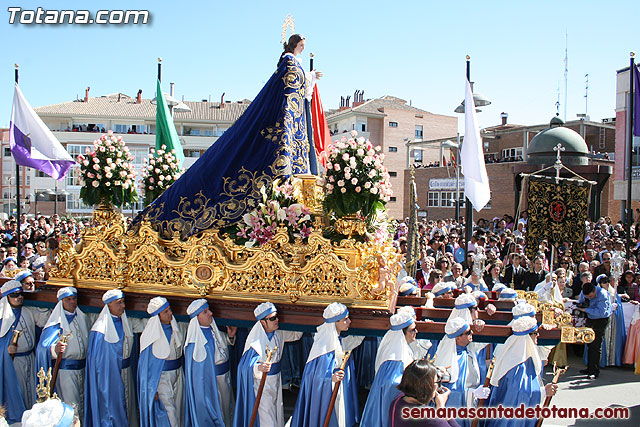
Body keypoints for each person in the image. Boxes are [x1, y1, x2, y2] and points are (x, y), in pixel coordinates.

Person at [133, 33, 322, 238]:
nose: (303, 48)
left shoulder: (292, 64)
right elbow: (289, 89)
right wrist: (307, 78)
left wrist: (309, 78)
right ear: (294, 45)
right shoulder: (290, 64)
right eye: (301, 45)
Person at [290, 302, 363, 427]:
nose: (349, 322)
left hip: (337, 391)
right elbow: (313, 377)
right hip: (327, 394)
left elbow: (350, 343)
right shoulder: (323, 346)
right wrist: (330, 378)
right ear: (335, 323)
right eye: (345, 320)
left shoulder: (336, 339)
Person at [234, 302, 302, 427]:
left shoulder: (279, 334)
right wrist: (258, 368)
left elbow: (296, 335)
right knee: (267, 419)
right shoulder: (255, 342)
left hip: (276, 381)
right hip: (262, 386)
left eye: (276, 317)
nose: (277, 320)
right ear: (262, 323)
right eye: (272, 318)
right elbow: (243, 367)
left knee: (276, 414)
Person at [486, 316, 558, 427]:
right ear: (527, 337)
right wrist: (543, 392)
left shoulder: (521, 356)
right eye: (535, 333)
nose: (538, 335)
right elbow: (519, 395)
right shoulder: (517, 364)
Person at [84, 289, 138, 426]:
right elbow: (99, 365)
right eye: (119, 303)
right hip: (109, 379)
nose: (123, 306)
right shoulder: (100, 330)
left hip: (126, 373)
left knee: (128, 407)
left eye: (123, 302)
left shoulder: (125, 321)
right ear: (108, 306)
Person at [35, 287, 89, 420]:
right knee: (71, 406)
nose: (72, 302)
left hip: (83, 369)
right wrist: (54, 349)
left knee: (82, 404)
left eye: (74, 299)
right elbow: (43, 347)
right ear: (61, 302)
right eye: (68, 299)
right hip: (66, 372)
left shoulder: (82, 317)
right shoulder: (56, 323)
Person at [0, 280, 49, 424]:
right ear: (7, 298)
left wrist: (44, 303)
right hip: (13, 362)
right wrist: (5, 350)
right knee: (18, 392)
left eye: (21, 294)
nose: (19, 297)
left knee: (32, 392)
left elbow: (43, 320)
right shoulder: (2, 317)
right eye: (14, 295)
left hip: (30, 358)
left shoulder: (28, 311)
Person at [184, 299, 236, 427]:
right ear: (197, 318)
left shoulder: (212, 329)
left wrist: (230, 337)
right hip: (213, 384)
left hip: (225, 379)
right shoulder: (194, 344)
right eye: (205, 312)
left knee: (227, 411)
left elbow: (220, 346)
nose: (211, 314)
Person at [361, 313, 416, 427]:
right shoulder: (395, 358)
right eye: (413, 330)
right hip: (392, 405)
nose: (416, 332)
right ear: (402, 333)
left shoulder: (399, 350)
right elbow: (391, 384)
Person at [138, 297, 184, 427]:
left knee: (178, 411)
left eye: (169, 310)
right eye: (166, 312)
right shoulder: (150, 337)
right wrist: (153, 390)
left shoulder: (175, 328)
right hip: (162, 380)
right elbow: (147, 367)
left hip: (178, 376)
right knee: (170, 416)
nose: (170, 314)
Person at [434, 317, 489, 427]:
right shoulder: (448, 360)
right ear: (457, 338)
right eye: (468, 332)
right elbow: (449, 393)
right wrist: (473, 393)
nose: (472, 333)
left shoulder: (468, 349)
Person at [388, 359, 458, 426]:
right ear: (428, 386)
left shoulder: (397, 401)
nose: (437, 386)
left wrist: (430, 370)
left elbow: (416, 375)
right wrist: (442, 408)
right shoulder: (429, 418)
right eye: (436, 381)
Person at [576, 280, 612, 379]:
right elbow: (581, 302)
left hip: (601, 319)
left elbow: (601, 312)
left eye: (591, 297)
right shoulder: (585, 293)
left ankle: (594, 371)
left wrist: (585, 310)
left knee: (596, 345)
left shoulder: (602, 295)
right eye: (587, 297)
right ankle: (589, 367)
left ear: (594, 291)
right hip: (590, 318)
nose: (589, 299)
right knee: (588, 342)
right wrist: (581, 305)